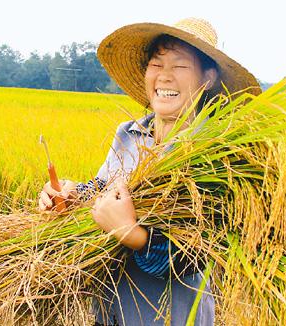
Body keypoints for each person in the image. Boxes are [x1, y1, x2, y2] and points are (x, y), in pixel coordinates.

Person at [38, 17, 261, 325]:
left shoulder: (215, 153)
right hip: (110, 313)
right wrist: (71, 195)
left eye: (179, 67)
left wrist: (132, 234)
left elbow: (197, 252)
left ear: (207, 78)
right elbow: (105, 189)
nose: (164, 77)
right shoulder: (127, 134)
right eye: (156, 65)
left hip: (171, 317)